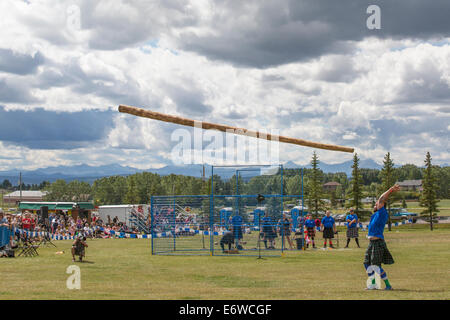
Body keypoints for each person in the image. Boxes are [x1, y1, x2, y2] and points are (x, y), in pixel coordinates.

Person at [364, 184, 400, 290]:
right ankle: (373, 284)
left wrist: (390, 190)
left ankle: (388, 285)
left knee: (376, 266)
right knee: (367, 263)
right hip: (371, 243)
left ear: (381, 205)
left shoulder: (382, 213)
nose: (375, 204)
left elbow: (381, 198)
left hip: (378, 243)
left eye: (377, 203)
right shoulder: (375, 215)